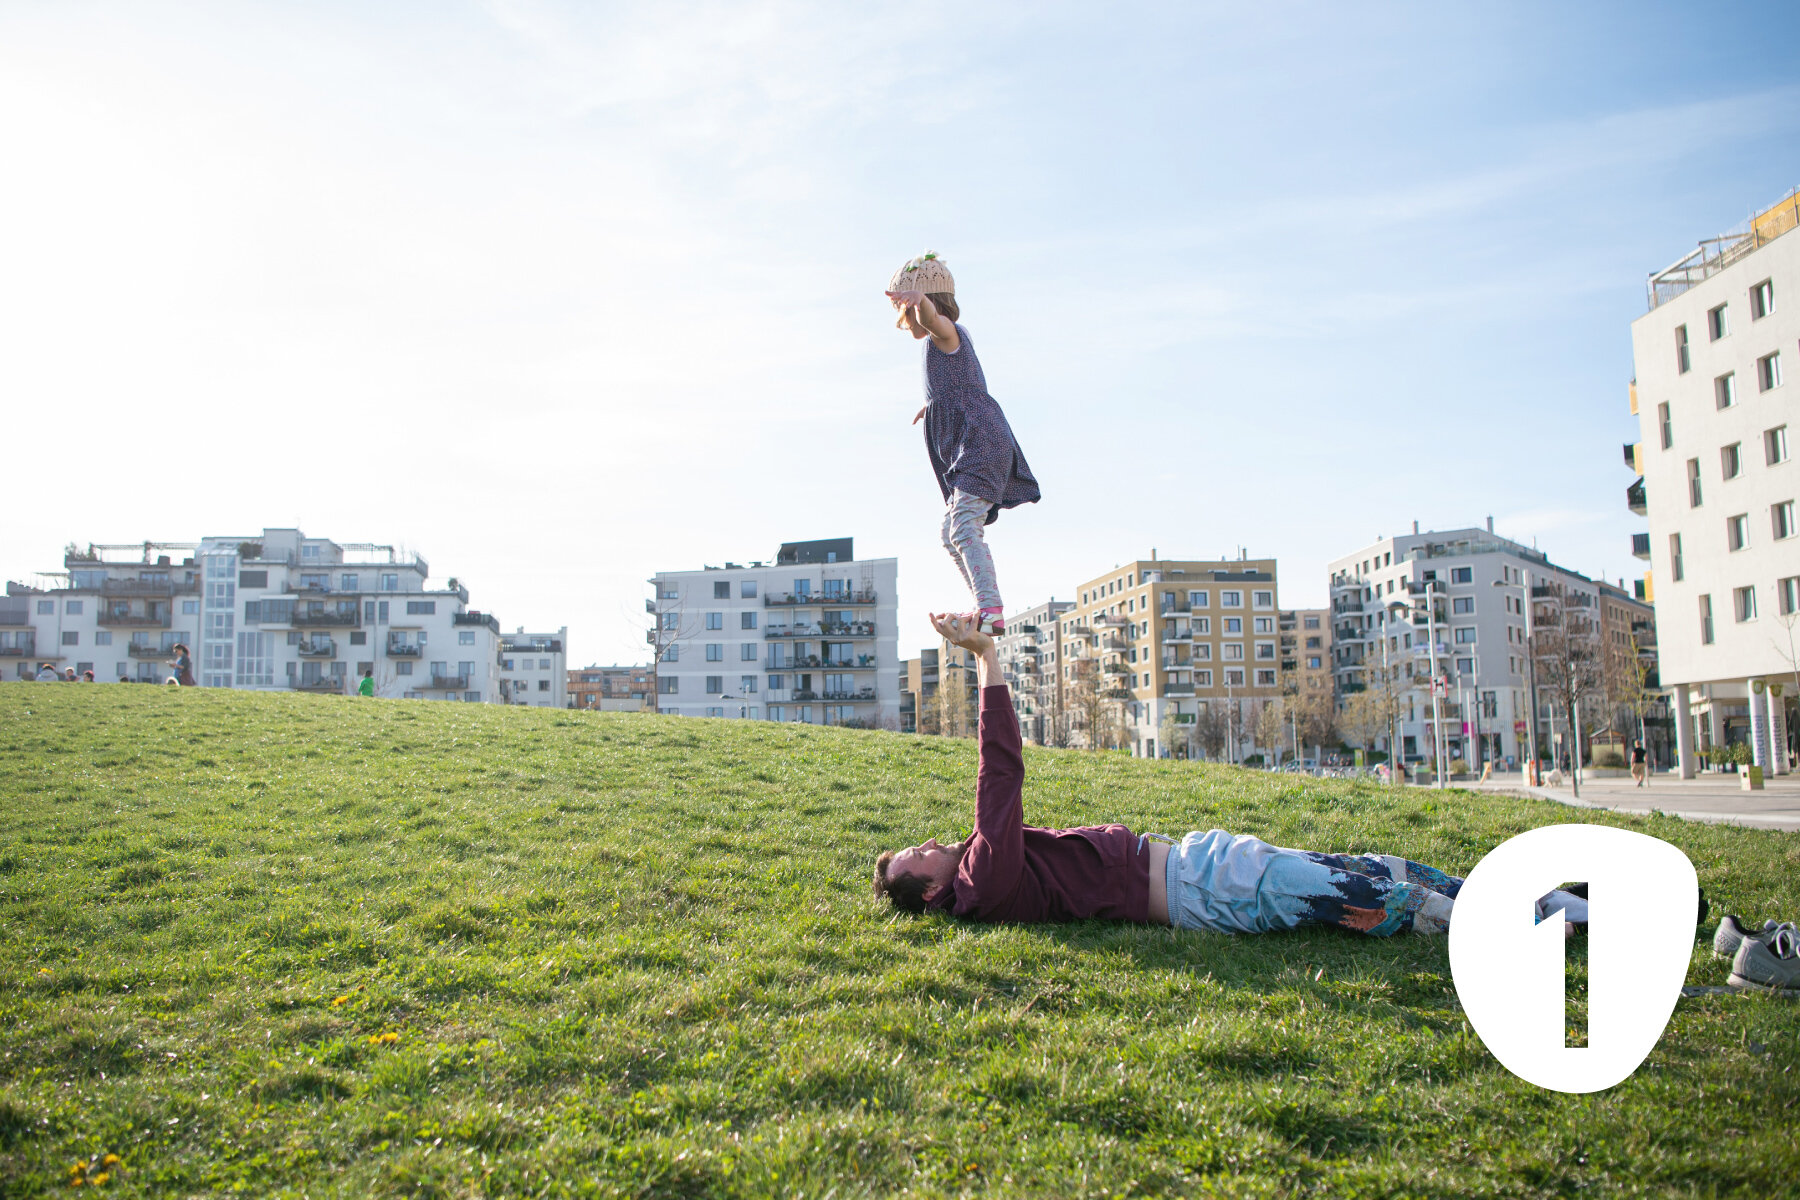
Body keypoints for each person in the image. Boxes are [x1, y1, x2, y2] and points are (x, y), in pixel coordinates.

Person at [873, 614, 1459, 937]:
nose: (926, 843)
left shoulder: (980, 870)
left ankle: (1531, 899)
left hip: (1197, 862)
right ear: (930, 892)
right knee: (1368, 896)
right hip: (1200, 890)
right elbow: (999, 773)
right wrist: (986, 659)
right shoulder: (981, 883)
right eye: (915, 857)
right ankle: (1523, 926)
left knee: (1366, 870)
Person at [886, 253, 1039, 636]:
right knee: (950, 533)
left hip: (981, 443)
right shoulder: (945, 345)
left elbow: (931, 320)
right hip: (972, 443)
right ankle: (983, 604)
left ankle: (991, 609)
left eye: (906, 318)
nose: (907, 326)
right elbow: (958, 386)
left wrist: (918, 301)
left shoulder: (946, 331)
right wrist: (932, 408)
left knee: (964, 527)